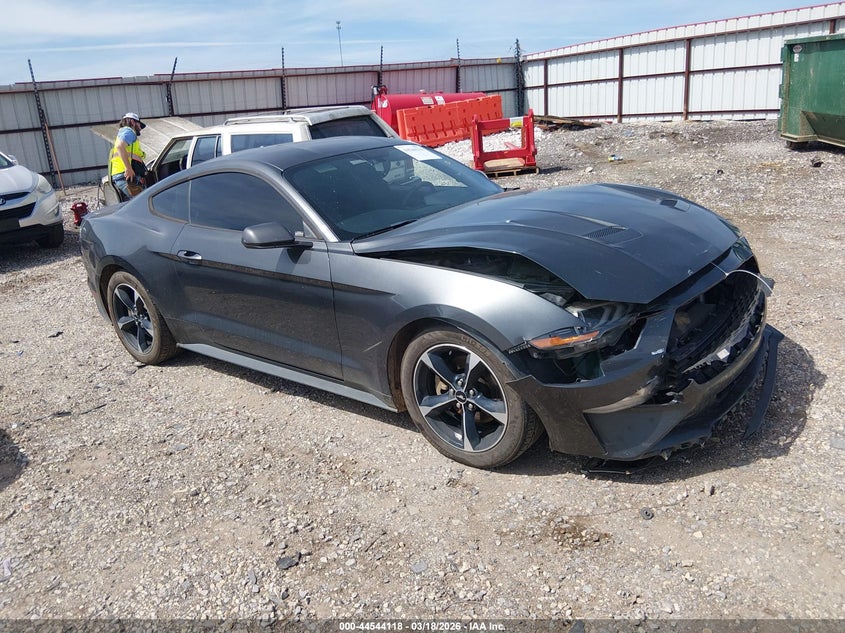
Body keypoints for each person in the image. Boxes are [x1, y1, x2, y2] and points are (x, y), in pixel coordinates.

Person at [109, 112, 147, 199]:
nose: (140, 128)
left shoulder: (124, 132)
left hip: (123, 174)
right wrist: (128, 168)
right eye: (139, 124)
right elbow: (119, 147)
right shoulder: (129, 132)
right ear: (133, 122)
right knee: (142, 202)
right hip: (125, 175)